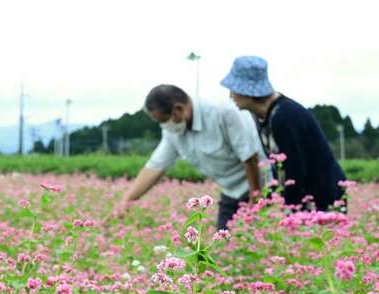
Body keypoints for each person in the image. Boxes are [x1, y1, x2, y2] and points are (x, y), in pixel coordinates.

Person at [119, 84, 267, 230]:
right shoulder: (173, 133)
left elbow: (250, 157)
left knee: (262, 239)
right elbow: (155, 167)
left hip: (261, 187)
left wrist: (255, 199)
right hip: (231, 191)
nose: (163, 126)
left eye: (164, 120)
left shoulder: (222, 112)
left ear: (179, 109)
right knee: (223, 245)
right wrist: (125, 202)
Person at [221, 55, 346, 212]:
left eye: (233, 90)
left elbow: (295, 173)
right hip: (308, 197)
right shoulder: (264, 115)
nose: (231, 96)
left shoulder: (284, 117)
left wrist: (289, 212)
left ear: (247, 91)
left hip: (323, 198)